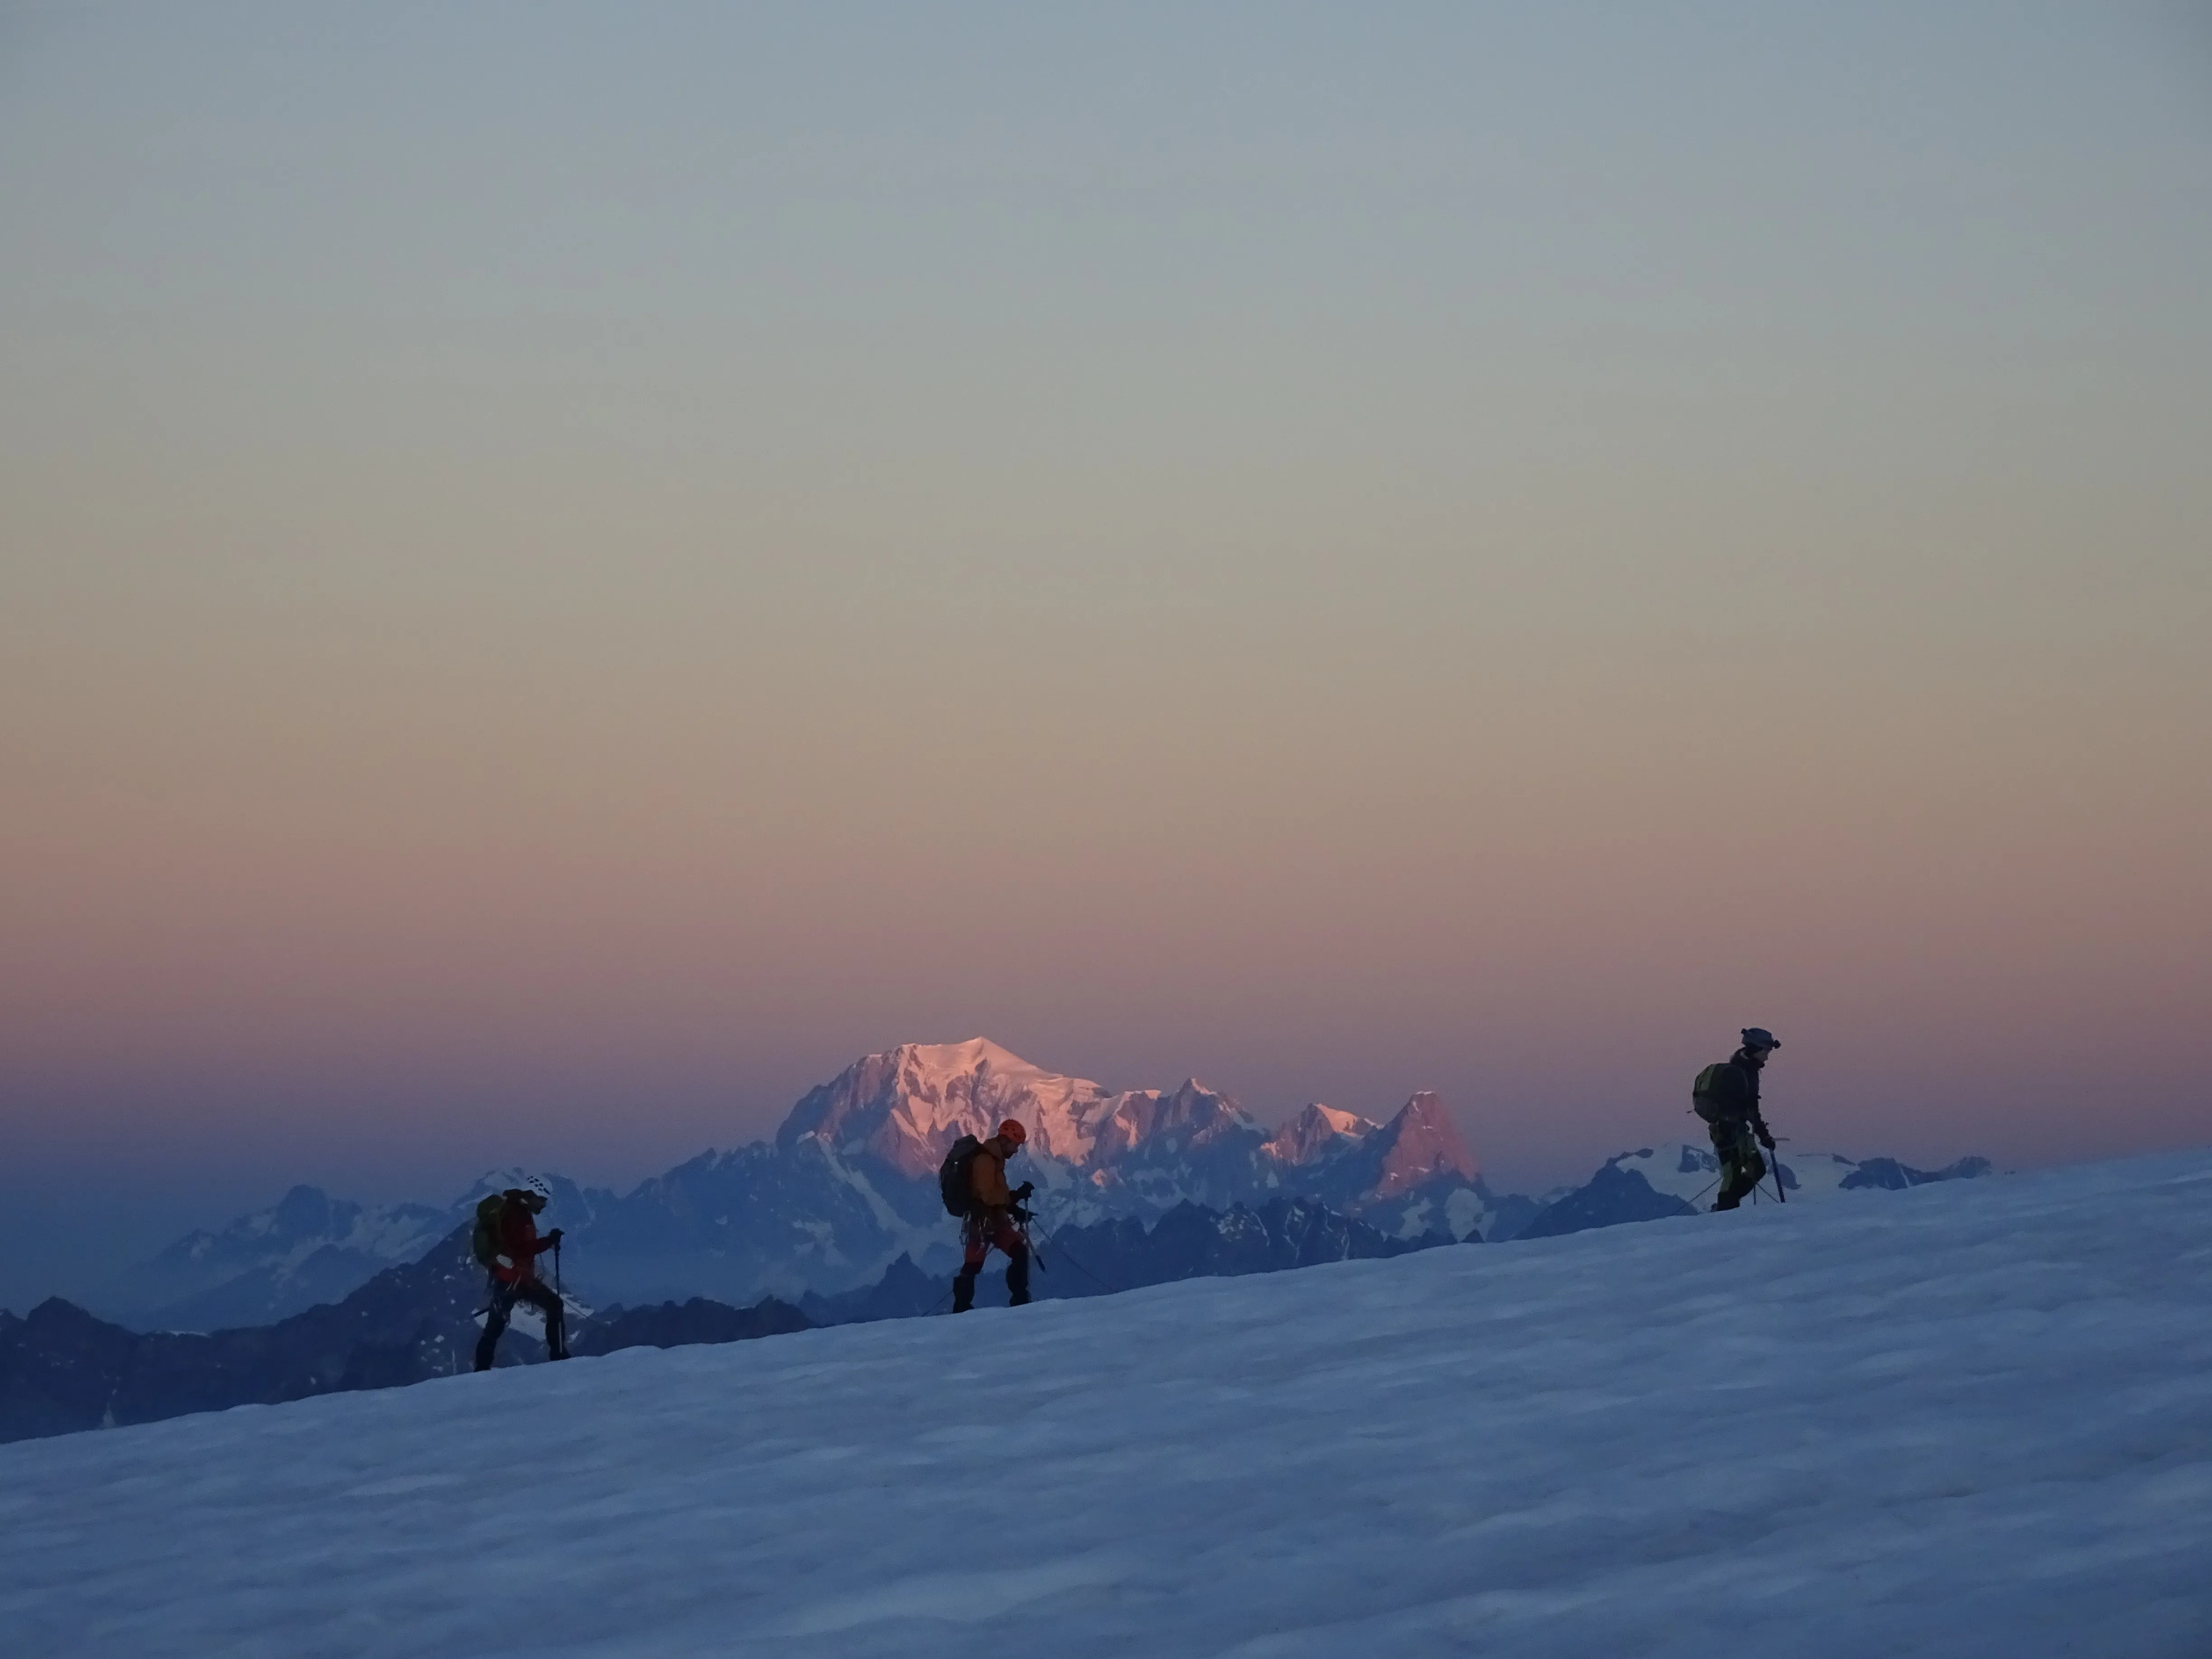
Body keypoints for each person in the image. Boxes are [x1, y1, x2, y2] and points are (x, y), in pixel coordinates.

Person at [473, 1175, 568, 1370]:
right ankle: (558, 1357)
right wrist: (549, 1241)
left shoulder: (516, 1210)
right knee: (553, 1306)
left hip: (514, 1278)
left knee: (495, 1327)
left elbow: (519, 1246)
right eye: (542, 1200)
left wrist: (547, 1241)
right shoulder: (518, 1214)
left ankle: (481, 1370)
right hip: (512, 1279)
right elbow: (521, 1249)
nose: (544, 1205)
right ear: (533, 1195)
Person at [1694, 1028, 1781, 1211]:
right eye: (1765, 1051)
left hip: (1724, 1129)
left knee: (1734, 1173)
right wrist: (1764, 1136)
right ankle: (1726, 1209)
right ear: (1754, 1049)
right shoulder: (1744, 1073)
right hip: (1731, 1131)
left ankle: (1727, 1206)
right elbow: (1752, 1110)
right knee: (1745, 1172)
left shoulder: (1739, 1069)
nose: (1767, 1057)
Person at [952, 1119, 1034, 1313]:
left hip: (987, 1222)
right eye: (1016, 1145)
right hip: (984, 1222)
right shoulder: (986, 1160)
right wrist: (1014, 1201)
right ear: (1006, 1140)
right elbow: (987, 1195)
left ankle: (962, 1307)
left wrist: (1013, 1201)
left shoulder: (993, 1159)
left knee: (975, 1266)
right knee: (977, 1265)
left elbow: (994, 1195)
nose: (1016, 1151)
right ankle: (1018, 1302)